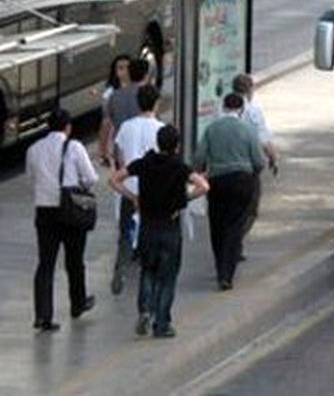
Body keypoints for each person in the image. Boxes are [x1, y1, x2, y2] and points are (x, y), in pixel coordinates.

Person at [109, 126, 208, 339]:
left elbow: (114, 179)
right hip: (169, 229)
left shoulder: (144, 163)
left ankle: (145, 310)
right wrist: (184, 200)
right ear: (177, 145)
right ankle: (161, 323)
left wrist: (133, 197)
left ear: (158, 142)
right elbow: (203, 186)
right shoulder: (179, 167)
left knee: (148, 271)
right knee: (168, 277)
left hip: (148, 227)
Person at [28, 109, 98, 331]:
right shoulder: (75, 147)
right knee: (75, 260)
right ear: (67, 127)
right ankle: (78, 302)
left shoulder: (34, 149)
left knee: (45, 264)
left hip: (44, 210)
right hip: (71, 210)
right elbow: (91, 178)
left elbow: (32, 178)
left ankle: (43, 315)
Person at [194, 93, 265, 290]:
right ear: (241, 109)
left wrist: (200, 172)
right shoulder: (248, 130)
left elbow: (199, 157)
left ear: (223, 108)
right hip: (242, 181)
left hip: (217, 181)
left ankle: (220, 268)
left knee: (217, 225)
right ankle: (227, 274)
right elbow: (259, 161)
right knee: (235, 226)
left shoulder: (211, 129)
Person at [102, 59, 151, 295]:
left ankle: (122, 261)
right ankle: (141, 253)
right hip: (148, 171)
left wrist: (106, 154)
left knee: (125, 217)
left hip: (126, 166)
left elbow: (109, 129)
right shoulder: (147, 98)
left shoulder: (115, 98)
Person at [232, 74, 278, 244]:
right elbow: (264, 140)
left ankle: (230, 240)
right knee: (250, 208)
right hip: (247, 168)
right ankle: (236, 240)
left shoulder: (222, 108)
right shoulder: (253, 111)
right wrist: (273, 159)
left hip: (223, 167)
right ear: (250, 90)